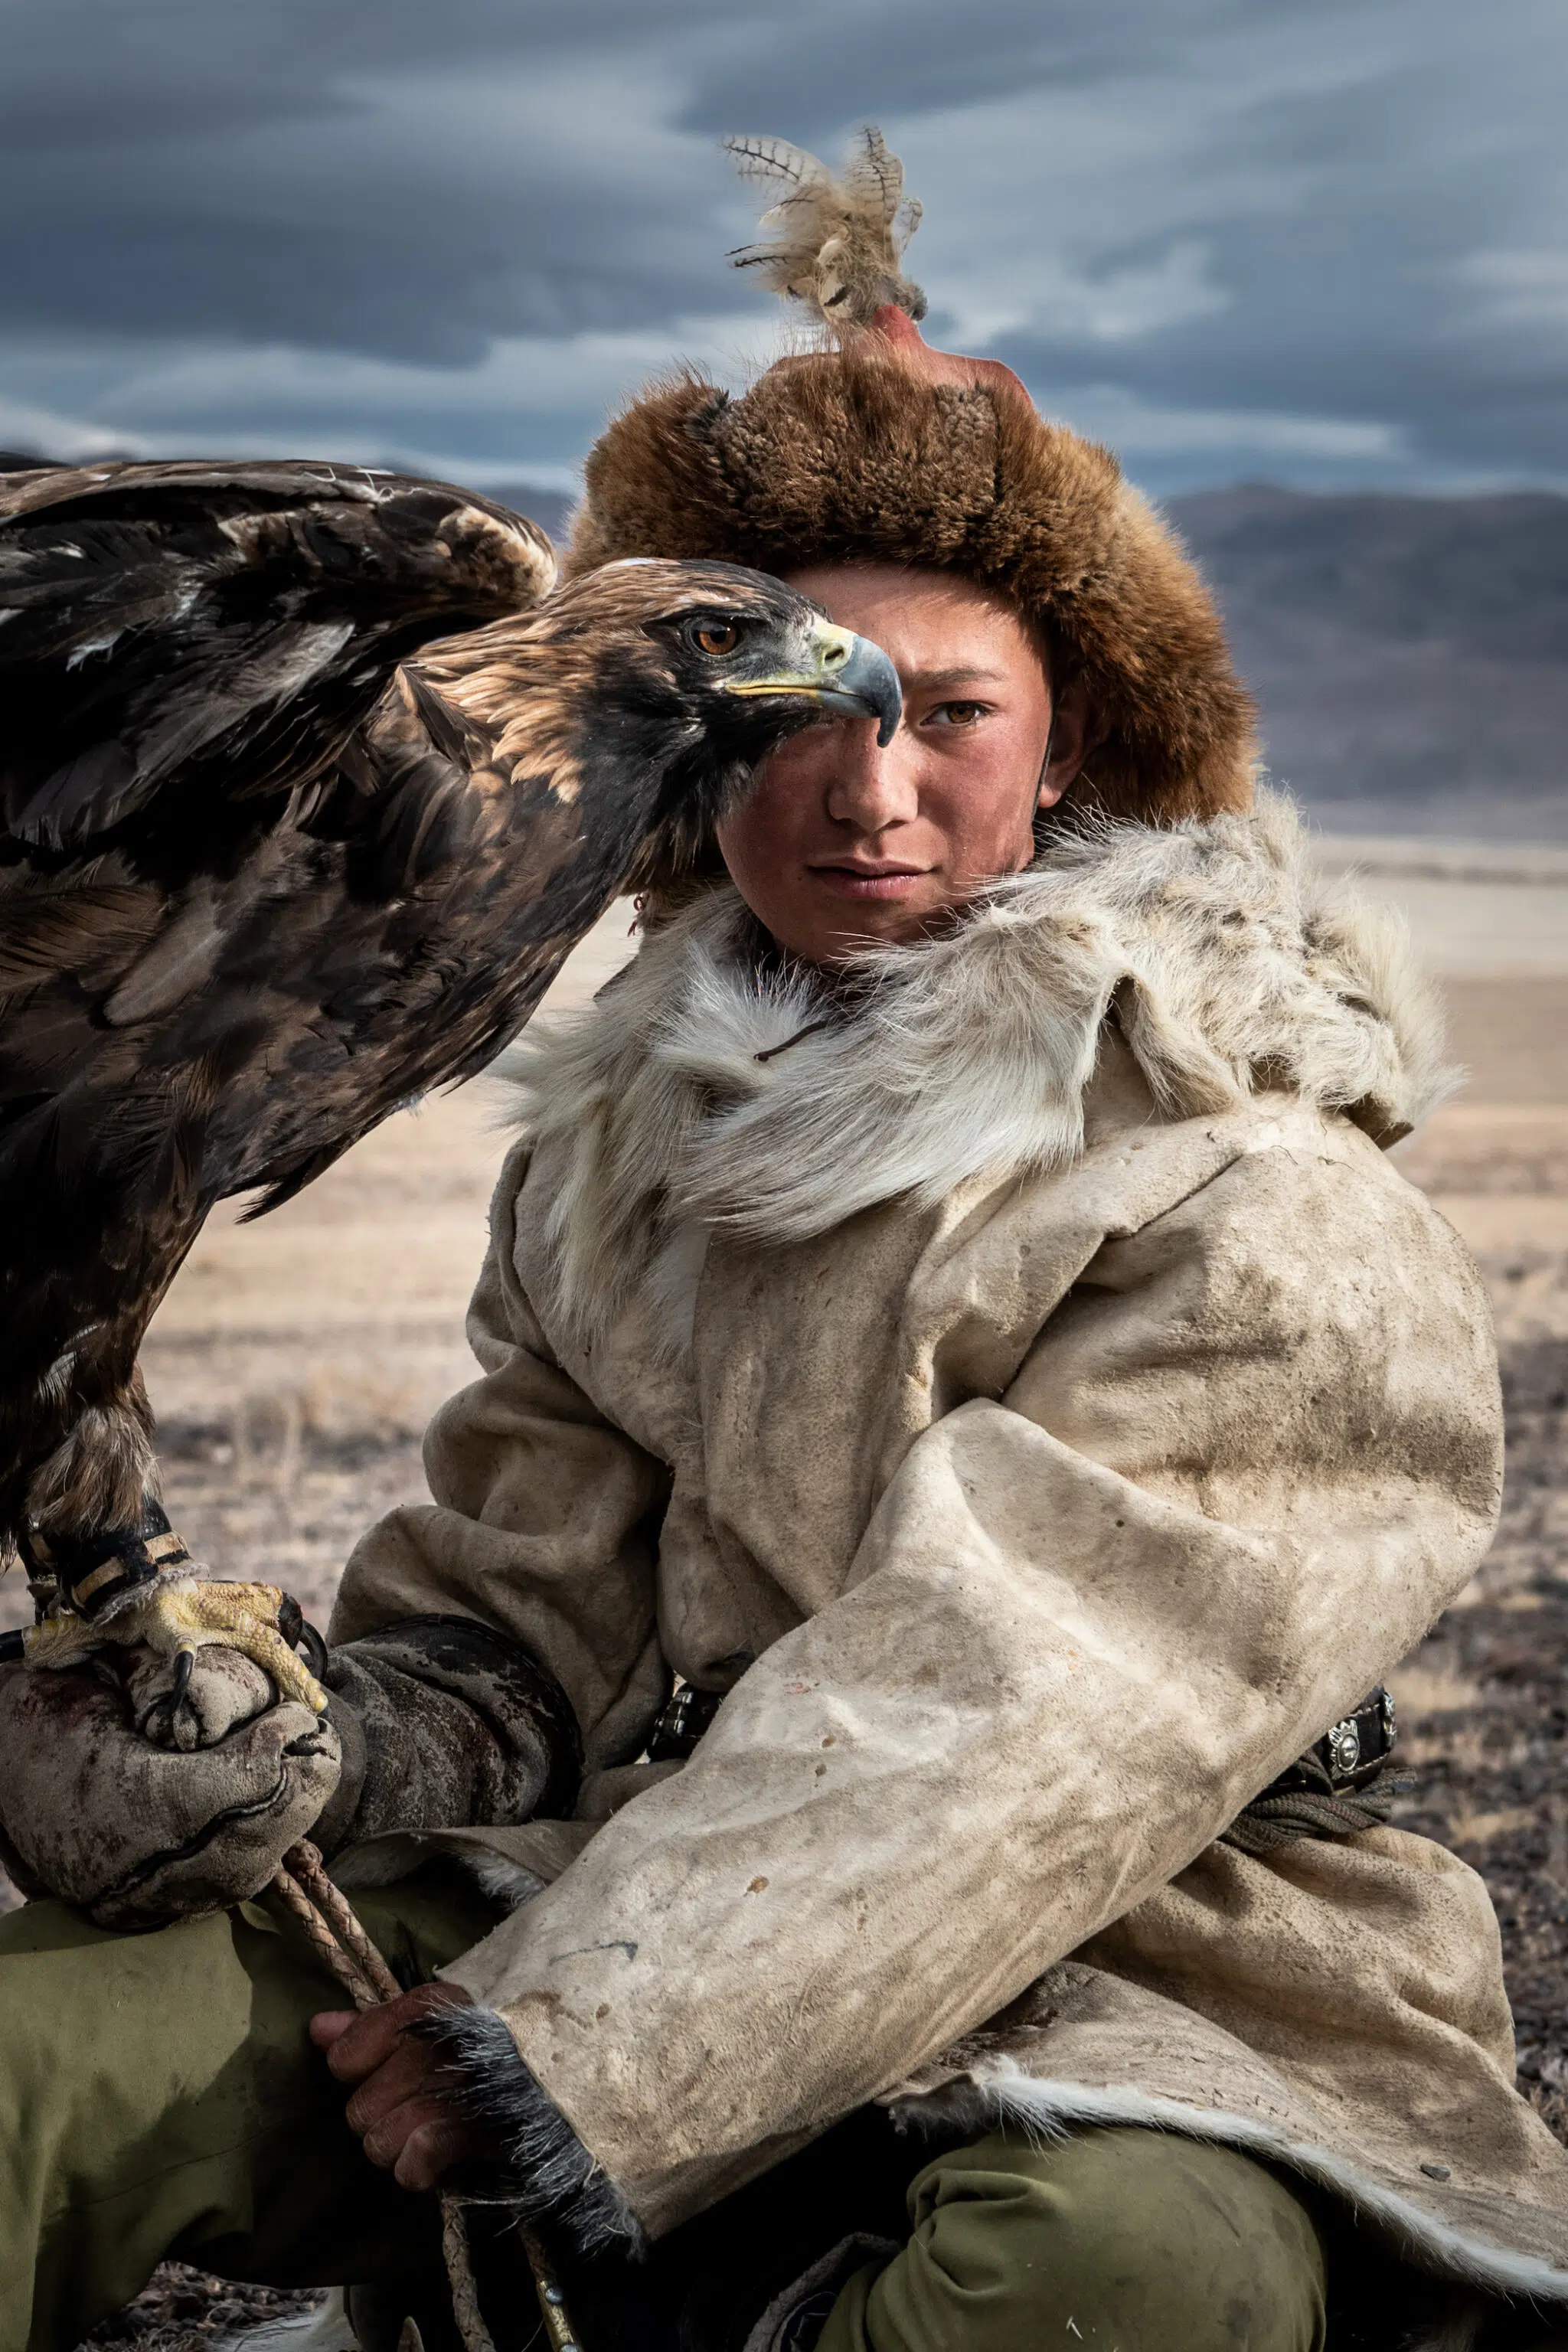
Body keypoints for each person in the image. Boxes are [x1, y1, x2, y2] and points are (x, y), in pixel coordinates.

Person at [4, 155, 1568, 2352]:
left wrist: (552, 2058)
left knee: (1123, 2286)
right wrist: (295, 1748)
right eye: (801, 719)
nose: (868, 790)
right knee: (28, 2054)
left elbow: (1028, 1731)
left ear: (1076, 750)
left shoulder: (1263, 1195)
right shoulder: (618, 1161)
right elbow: (520, 1654)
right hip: (612, 1910)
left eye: (951, 712)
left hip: (1142, 1996)